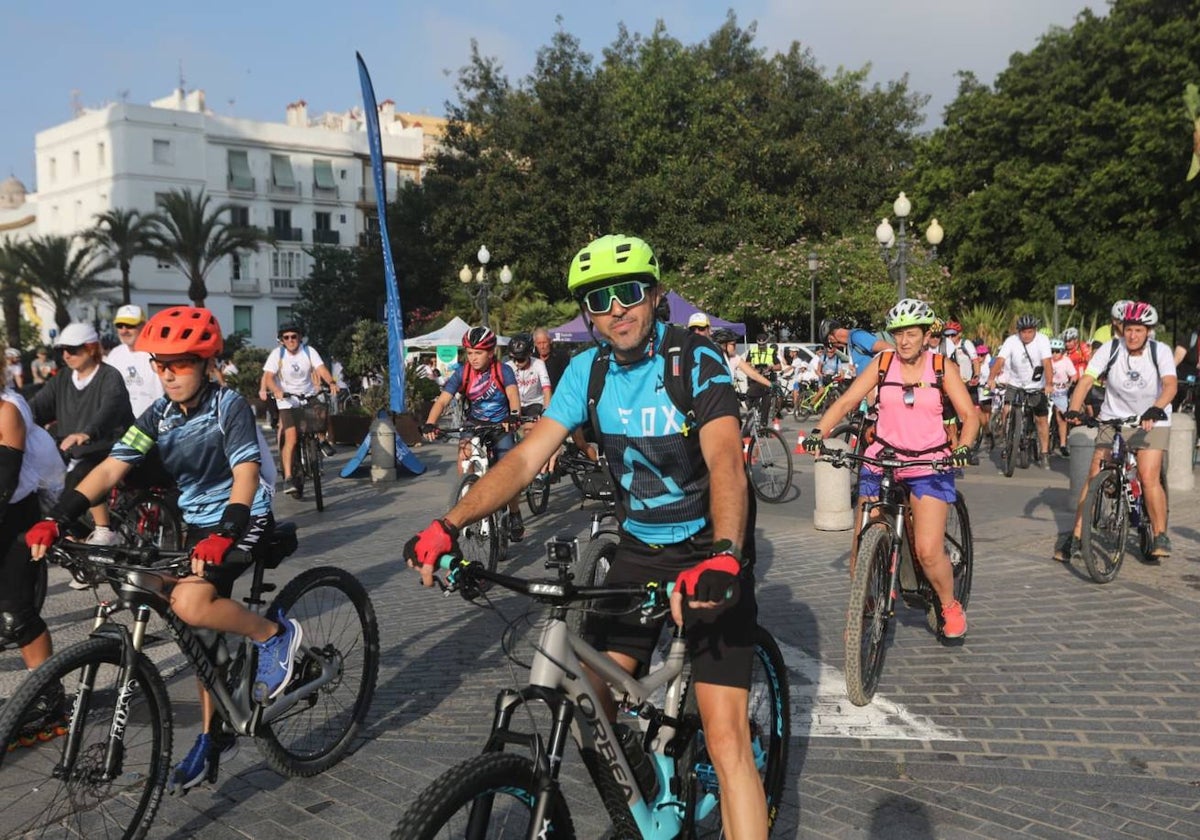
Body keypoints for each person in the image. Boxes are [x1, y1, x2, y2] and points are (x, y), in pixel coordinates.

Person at [406, 234, 768, 835]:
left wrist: (727, 555)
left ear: (654, 296)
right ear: (588, 313)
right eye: (599, 300)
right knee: (589, 694)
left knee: (725, 737)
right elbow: (525, 460)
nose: (616, 309)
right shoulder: (587, 370)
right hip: (640, 547)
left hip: (710, 551)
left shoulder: (692, 359)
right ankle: (649, 792)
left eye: (628, 292)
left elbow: (727, 460)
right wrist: (450, 524)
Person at [25, 306, 301, 793]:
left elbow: (246, 474)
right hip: (196, 521)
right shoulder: (159, 414)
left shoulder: (228, 406)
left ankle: (273, 634)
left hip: (242, 516)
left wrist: (227, 529)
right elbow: (111, 468)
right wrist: (57, 517)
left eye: (181, 363)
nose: (167, 373)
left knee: (191, 603)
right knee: (167, 606)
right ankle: (216, 732)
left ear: (206, 362)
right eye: (160, 363)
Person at [804, 298, 978, 638]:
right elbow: (847, 401)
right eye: (898, 334)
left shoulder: (942, 366)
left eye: (911, 334)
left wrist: (963, 446)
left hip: (930, 462)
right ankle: (866, 602)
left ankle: (948, 603)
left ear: (927, 335)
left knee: (929, 551)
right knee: (862, 539)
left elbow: (969, 415)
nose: (904, 341)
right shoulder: (883, 363)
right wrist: (817, 432)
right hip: (882, 458)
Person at [1056, 302, 1176, 562]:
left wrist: (1156, 409)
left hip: (1151, 420)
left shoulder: (1160, 351)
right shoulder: (1111, 349)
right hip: (1114, 418)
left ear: (1148, 331)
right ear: (1121, 329)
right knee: (1094, 473)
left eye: (1138, 330)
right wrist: (1074, 410)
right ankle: (1076, 536)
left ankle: (1160, 534)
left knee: (1147, 475)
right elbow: (1087, 379)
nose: (1132, 335)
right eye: (1128, 329)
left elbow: (1170, 385)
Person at [1, 340, 66, 742]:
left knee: (17, 613)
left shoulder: (7, 411)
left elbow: (3, 484)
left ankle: (49, 701)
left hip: (14, 520)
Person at [28, 323, 133, 548]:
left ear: (91, 348)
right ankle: (73, 537)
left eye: (73, 349)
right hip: (71, 448)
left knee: (83, 472)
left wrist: (87, 432)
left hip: (107, 446)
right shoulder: (62, 378)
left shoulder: (109, 376)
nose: (66, 355)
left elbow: (111, 409)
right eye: (62, 350)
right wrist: (15, 420)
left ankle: (104, 531)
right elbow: (37, 408)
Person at [421, 326, 525, 542]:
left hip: (501, 425)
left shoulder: (503, 370)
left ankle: (514, 512)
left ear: (491, 352)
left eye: (478, 353)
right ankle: (467, 490)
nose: (473, 358)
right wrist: (431, 423)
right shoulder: (463, 372)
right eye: (469, 353)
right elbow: (442, 400)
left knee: (509, 473)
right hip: (473, 424)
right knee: (464, 456)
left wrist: (514, 415)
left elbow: (513, 395)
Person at [258, 322, 340, 495]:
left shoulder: (309, 352)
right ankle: (288, 478)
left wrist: (331, 382)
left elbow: (321, 369)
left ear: (300, 337)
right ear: (282, 340)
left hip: (307, 395)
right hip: (287, 400)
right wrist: (276, 390)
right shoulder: (277, 354)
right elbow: (269, 377)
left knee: (321, 414)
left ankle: (321, 440)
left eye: (294, 336)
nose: (290, 340)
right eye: (286, 337)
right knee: (292, 437)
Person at [987, 315, 1055, 469]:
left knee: (1041, 420)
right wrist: (991, 378)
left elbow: (1047, 363)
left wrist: (1049, 383)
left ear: (1035, 331)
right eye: (1023, 332)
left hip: (1037, 385)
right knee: (1006, 410)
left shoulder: (1042, 340)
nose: (1026, 335)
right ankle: (1008, 441)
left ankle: (1044, 453)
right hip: (1015, 383)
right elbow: (1000, 360)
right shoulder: (1011, 341)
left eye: (1030, 332)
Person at [105, 304, 164, 419]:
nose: (124, 330)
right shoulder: (114, 355)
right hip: (122, 427)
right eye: (120, 325)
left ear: (144, 326)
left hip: (153, 424)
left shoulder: (157, 354)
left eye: (130, 325)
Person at [712, 328, 772, 396]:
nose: (735, 347)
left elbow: (752, 374)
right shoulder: (712, 359)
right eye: (733, 344)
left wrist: (771, 385)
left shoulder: (734, 358)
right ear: (723, 346)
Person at [505, 332, 552, 418]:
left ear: (529, 354)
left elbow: (546, 389)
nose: (516, 363)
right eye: (513, 359)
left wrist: (547, 410)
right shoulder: (508, 366)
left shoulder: (539, 364)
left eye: (520, 360)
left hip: (534, 403)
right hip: (515, 402)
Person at [821, 318, 892, 374]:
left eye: (831, 344)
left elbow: (890, 349)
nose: (835, 347)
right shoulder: (852, 343)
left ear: (831, 338)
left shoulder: (857, 336)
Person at [1048, 337, 1078, 456]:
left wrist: (1070, 384)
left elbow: (1074, 375)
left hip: (1061, 392)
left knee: (1061, 418)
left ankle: (1063, 444)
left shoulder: (1066, 361)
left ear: (1062, 351)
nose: (1054, 354)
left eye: (1057, 351)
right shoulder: (1047, 360)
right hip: (1048, 391)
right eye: (1052, 351)